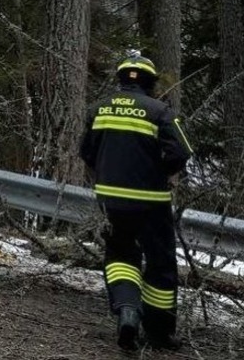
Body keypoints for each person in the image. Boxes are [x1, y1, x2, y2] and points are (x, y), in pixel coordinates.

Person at [79, 51, 194, 351]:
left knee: (120, 256)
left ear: (120, 79)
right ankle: (159, 333)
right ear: (151, 82)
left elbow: (86, 152)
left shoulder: (98, 109)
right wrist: (162, 172)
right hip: (151, 202)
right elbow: (182, 152)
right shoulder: (159, 111)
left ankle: (128, 311)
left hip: (110, 201)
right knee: (160, 264)